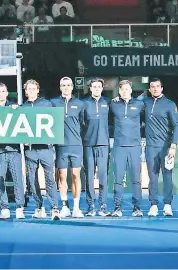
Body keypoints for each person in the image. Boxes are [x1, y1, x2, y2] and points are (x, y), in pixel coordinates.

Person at [21, 79, 60, 220]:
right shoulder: (22, 108)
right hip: (30, 150)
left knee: (50, 179)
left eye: (33, 89)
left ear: (37, 90)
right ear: (25, 92)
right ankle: (39, 207)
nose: (31, 91)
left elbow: (54, 123)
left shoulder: (47, 104)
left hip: (46, 149)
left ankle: (54, 208)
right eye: (28, 89)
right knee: (32, 180)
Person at [142, 78, 178, 217]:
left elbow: (177, 125)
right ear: (149, 89)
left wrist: (173, 145)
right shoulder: (145, 102)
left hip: (166, 147)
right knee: (152, 177)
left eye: (157, 86)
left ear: (162, 88)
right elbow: (131, 101)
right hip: (150, 147)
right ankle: (153, 205)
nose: (155, 88)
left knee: (167, 176)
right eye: (152, 86)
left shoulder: (169, 104)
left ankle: (168, 205)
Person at [51, 77, 84, 218]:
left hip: (76, 145)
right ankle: (65, 206)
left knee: (76, 176)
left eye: (68, 85)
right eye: (63, 85)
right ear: (60, 87)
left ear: (72, 87)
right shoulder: (53, 103)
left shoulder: (80, 104)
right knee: (62, 177)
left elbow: (82, 122)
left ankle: (76, 208)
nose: (66, 87)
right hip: (60, 146)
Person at [110, 80, 144, 217]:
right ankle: (117, 208)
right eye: (122, 89)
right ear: (119, 91)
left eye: (127, 89)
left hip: (135, 147)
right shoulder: (113, 104)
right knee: (118, 179)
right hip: (119, 147)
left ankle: (137, 208)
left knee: (136, 179)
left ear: (131, 90)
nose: (124, 91)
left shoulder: (140, 104)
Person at [0, 82, 25, 219]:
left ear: (6, 93)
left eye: (3, 91)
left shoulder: (15, 108)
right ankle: (4, 207)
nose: (0, 94)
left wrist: (18, 109)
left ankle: (19, 207)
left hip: (14, 150)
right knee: (0, 180)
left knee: (18, 180)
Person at [82, 78, 111, 217]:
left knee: (103, 177)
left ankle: (103, 206)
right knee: (89, 177)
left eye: (99, 86)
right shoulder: (84, 104)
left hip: (104, 144)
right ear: (90, 88)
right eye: (94, 86)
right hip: (88, 144)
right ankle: (91, 206)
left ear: (102, 88)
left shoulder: (108, 102)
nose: (97, 88)